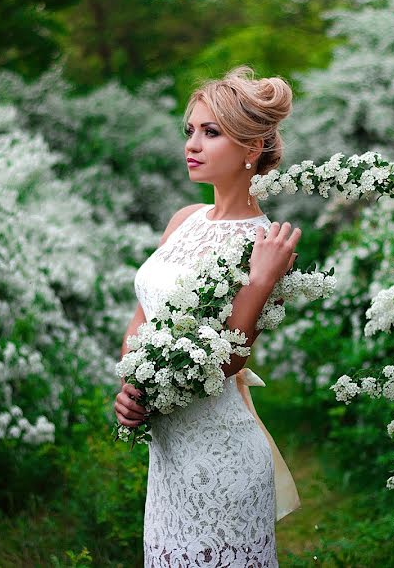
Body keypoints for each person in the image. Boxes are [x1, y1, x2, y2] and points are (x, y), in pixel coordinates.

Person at [114, 66, 301, 567]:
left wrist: (261, 283)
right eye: (190, 130)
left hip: (223, 459)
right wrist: (132, 388)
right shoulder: (183, 219)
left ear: (252, 147)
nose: (192, 144)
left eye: (211, 132)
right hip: (168, 454)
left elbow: (229, 360)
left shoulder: (267, 245)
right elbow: (142, 318)